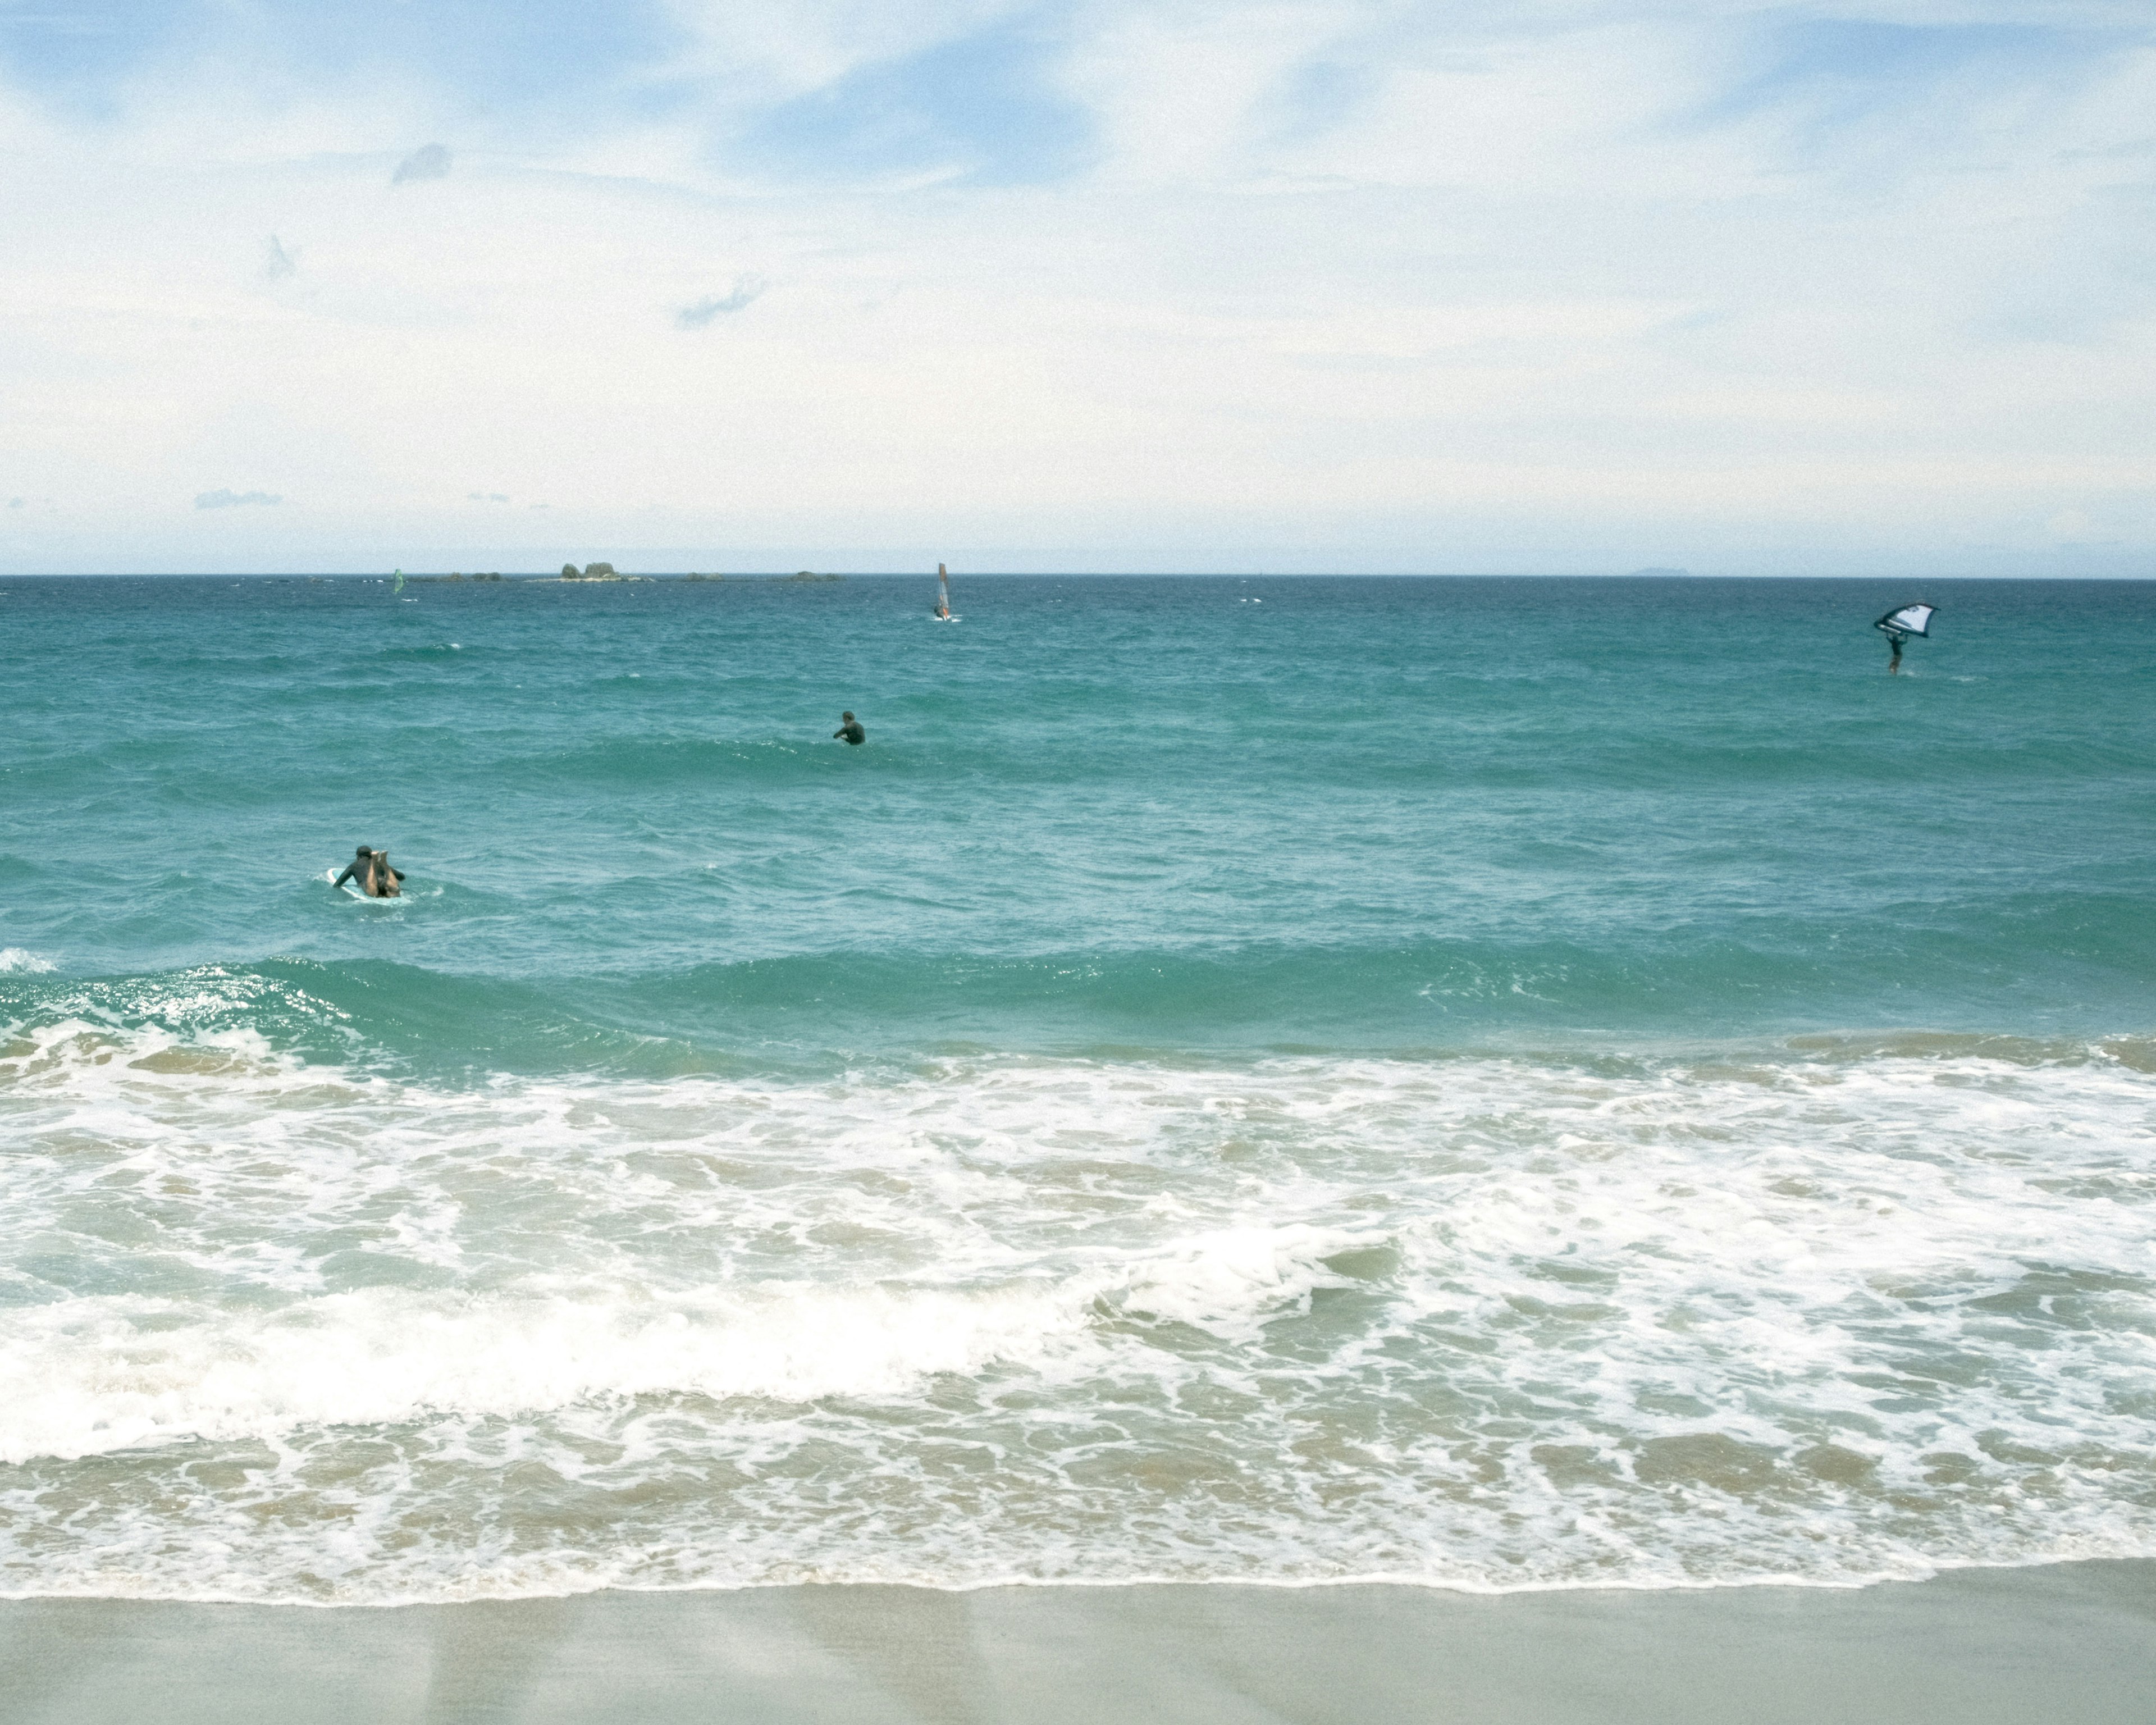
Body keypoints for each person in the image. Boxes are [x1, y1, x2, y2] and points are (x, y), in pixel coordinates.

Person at [333, 846, 405, 896]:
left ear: (358, 856)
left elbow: (338, 884)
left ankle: (373, 871)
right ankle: (385, 864)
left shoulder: (354, 866)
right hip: (383, 883)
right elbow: (402, 877)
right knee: (392, 887)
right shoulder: (380, 864)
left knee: (372, 889)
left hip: (370, 887)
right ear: (371, 855)